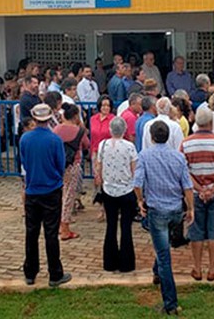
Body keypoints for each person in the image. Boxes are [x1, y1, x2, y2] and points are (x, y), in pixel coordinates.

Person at [133, 121, 194, 315]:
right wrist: (190, 208)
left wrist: (140, 201)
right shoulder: (178, 157)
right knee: (163, 247)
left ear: (151, 137)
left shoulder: (144, 156)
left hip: (157, 210)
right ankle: (156, 272)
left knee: (164, 257)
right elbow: (187, 186)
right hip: (175, 209)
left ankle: (171, 304)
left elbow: (137, 183)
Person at [20, 103, 72, 287]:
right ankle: (55, 273)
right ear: (49, 119)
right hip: (51, 189)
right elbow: (61, 164)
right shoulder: (54, 140)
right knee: (51, 233)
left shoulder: (25, 139)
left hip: (33, 189)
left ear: (34, 119)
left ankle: (30, 271)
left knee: (31, 232)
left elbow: (25, 163)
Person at [181, 108, 214, 282]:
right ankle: (212, 268)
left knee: (196, 230)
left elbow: (183, 170)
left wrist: (200, 188)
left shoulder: (186, 143)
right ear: (211, 123)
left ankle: (197, 268)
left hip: (195, 193)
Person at [96, 117, 137, 272]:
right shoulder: (130, 147)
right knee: (126, 226)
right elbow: (134, 169)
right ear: (124, 130)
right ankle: (126, 264)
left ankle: (110, 262)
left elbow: (99, 166)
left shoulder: (103, 145)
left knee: (111, 225)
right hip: (126, 189)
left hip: (109, 189)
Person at [54, 104, 89, 241]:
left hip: (58, 165)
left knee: (60, 194)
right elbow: (87, 144)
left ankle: (58, 224)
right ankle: (65, 228)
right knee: (69, 196)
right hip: (73, 165)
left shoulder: (57, 129)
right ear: (75, 116)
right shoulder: (79, 131)